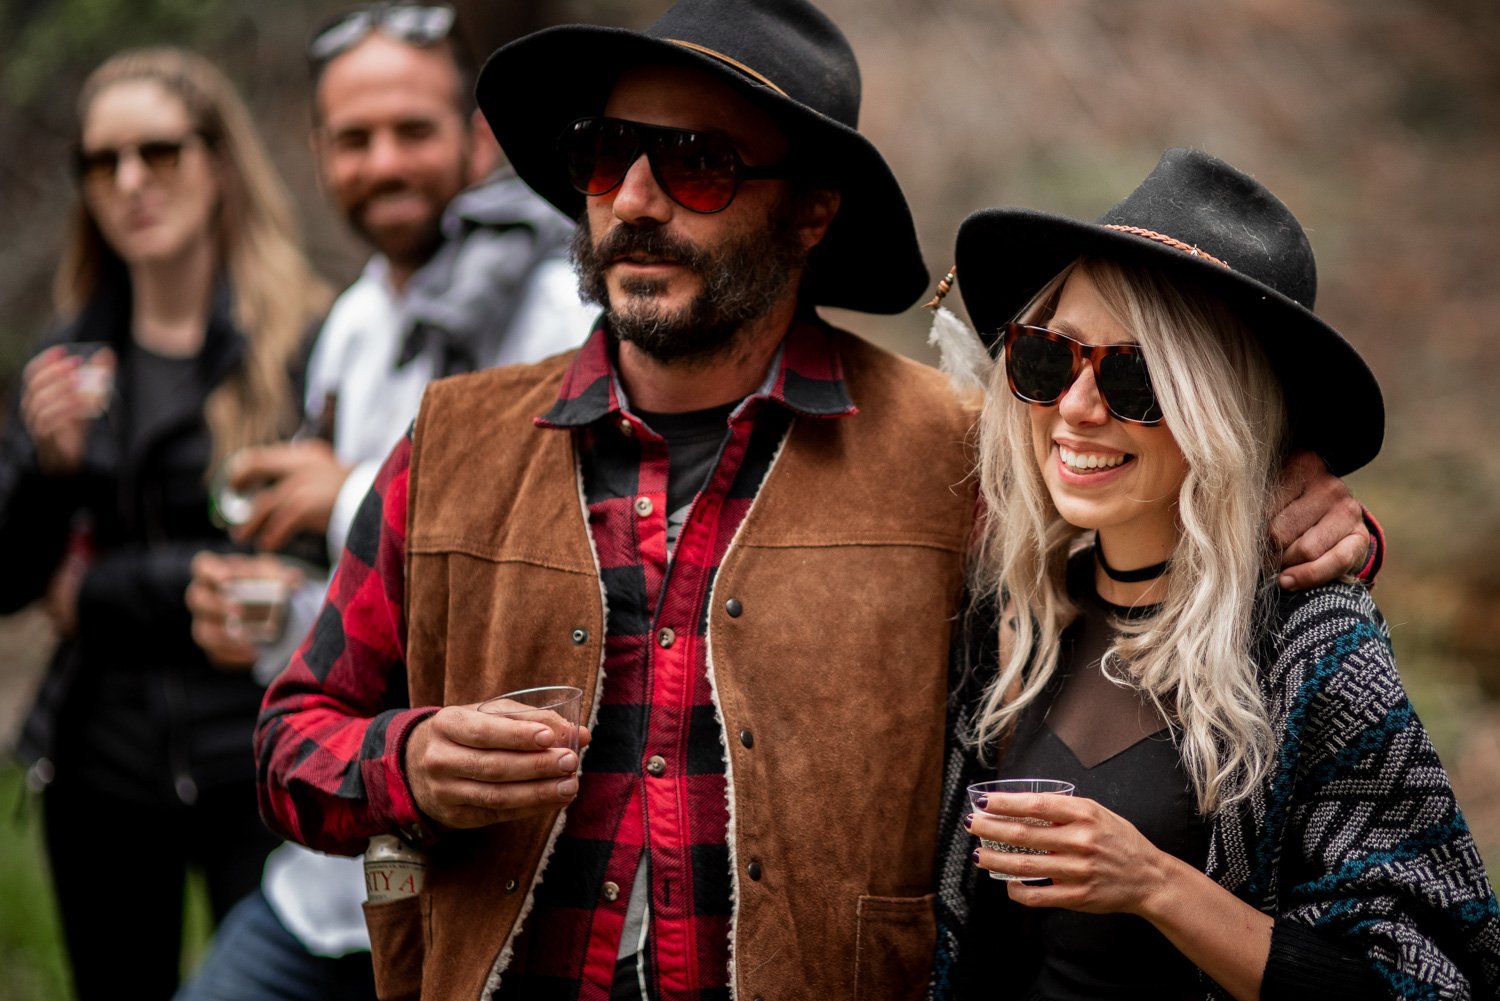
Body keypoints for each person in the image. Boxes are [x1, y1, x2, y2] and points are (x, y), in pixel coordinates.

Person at [254, 3, 1372, 998]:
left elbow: (1164, 553)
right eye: (605, 157)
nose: (635, 200)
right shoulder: (452, 441)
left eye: (696, 164)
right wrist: (405, 763)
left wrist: (1310, 509)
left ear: (811, 212)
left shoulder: (958, 454)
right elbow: (289, 739)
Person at [932, 148, 1500, 1000]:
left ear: (1220, 413)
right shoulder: (1014, 622)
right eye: (1051, 357)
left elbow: (1432, 979)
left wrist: (1156, 884)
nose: (1078, 409)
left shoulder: (1313, 645)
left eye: (1137, 375)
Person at [174, 5, 592, 1000]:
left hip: (488, 870)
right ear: (319, 153)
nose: (385, 161)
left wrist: (340, 499)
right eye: (354, 140)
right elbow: (354, 601)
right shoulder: (353, 324)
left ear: (477, 137)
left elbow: (570, 544)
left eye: (414, 129)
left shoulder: (556, 306)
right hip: (327, 870)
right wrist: (269, 606)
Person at [0, 47, 330, 1001]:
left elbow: (333, 545)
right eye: (102, 163)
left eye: (158, 152)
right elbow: (13, 579)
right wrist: (49, 473)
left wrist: (98, 590)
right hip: (104, 764)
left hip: (259, 758)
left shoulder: (305, 339)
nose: (131, 182)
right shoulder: (67, 357)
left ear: (219, 161)